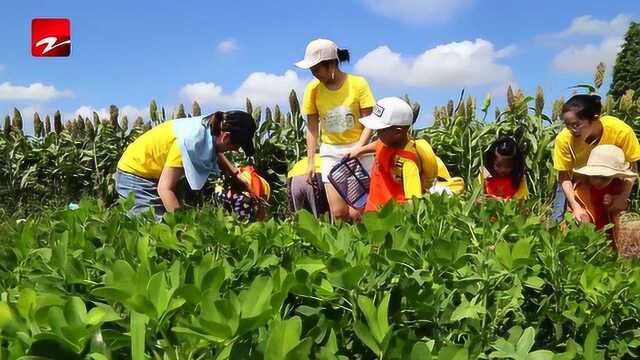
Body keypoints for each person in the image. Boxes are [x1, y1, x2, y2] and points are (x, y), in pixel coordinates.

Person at [116, 111, 256, 218]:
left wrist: (236, 175)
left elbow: (215, 151)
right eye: (236, 145)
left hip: (152, 174)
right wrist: (184, 227)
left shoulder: (211, 128)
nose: (236, 150)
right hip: (134, 174)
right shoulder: (188, 142)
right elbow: (165, 190)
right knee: (151, 227)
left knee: (165, 223)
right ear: (225, 137)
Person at [296, 39, 376, 221]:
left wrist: (359, 149)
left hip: (360, 151)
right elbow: (312, 127)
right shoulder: (313, 90)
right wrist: (310, 162)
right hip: (331, 153)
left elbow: (369, 122)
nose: (314, 74)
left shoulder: (358, 84)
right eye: (312, 70)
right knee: (338, 213)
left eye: (317, 69)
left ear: (331, 64)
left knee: (358, 212)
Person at [348, 97, 457, 212]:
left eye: (380, 130)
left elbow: (413, 200)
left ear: (398, 132)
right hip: (374, 206)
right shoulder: (387, 142)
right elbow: (378, 145)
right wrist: (360, 150)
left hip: (392, 215)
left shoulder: (407, 163)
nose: (377, 133)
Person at [553, 94, 640, 223]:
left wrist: (623, 197)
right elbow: (564, 177)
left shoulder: (620, 131)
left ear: (595, 118)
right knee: (569, 220)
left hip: (613, 182)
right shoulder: (564, 139)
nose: (572, 130)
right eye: (567, 125)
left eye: (576, 124)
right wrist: (575, 206)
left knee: (613, 223)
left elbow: (633, 167)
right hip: (579, 183)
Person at [571, 145, 637, 230]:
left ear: (613, 176)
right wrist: (582, 216)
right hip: (589, 230)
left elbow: (622, 205)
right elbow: (575, 208)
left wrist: (613, 200)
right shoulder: (581, 188)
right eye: (594, 176)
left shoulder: (617, 186)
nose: (598, 181)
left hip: (608, 229)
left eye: (604, 178)